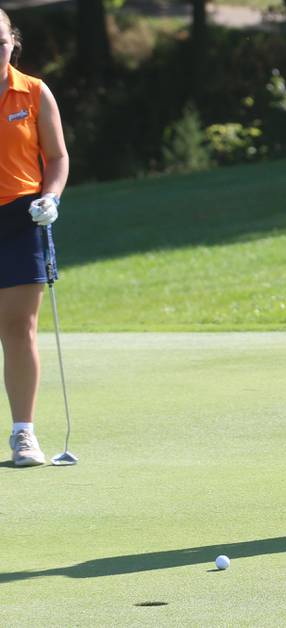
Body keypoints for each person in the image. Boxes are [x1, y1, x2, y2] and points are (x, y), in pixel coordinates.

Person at [0, 9, 69, 466]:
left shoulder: (34, 92)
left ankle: (24, 434)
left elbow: (58, 156)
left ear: (12, 41)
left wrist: (52, 197)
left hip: (21, 218)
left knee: (19, 326)